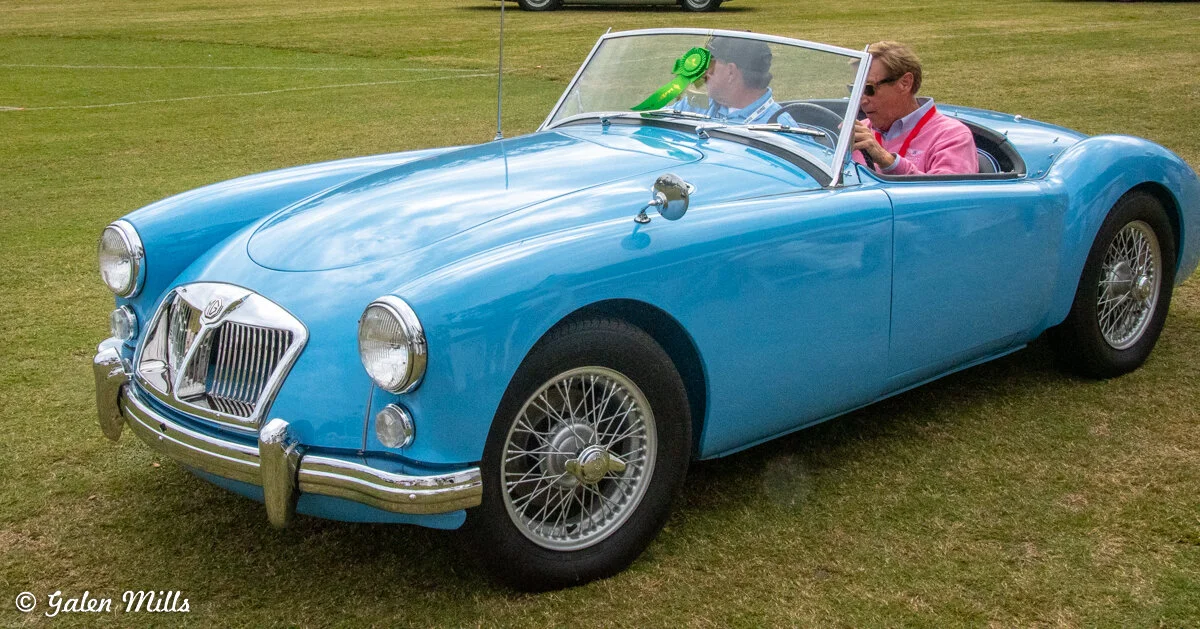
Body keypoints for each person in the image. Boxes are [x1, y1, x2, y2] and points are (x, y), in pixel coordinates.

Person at [852, 41, 977, 175]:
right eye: (855, 89)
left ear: (905, 83)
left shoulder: (952, 136)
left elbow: (947, 193)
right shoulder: (859, 132)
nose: (862, 100)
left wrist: (888, 161)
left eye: (868, 89)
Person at [675, 37, 797, 126]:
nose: (703, 73)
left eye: (709, 66)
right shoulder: (695, 104)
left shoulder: (780, 127)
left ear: (731, 72)